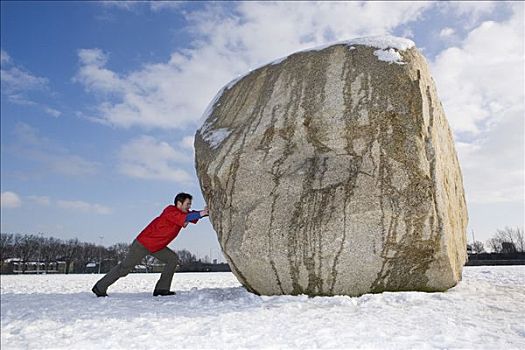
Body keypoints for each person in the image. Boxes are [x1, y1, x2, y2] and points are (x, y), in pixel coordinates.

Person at [91, 192, 209, 297]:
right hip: (143, 244)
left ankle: (162, 289)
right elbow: (188, 217)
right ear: (179, 203)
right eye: (188, 204)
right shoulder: (170, 211)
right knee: (124, 268)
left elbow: (192, 215)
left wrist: (204, 213)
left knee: (172, 259)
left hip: (157, 247)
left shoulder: (183, 213)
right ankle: (99, 288)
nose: (189, 206)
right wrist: (201, 213)